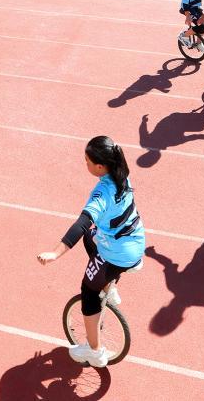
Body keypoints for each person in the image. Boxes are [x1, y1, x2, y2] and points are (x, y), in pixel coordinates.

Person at [37, 136, 145, 368]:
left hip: (117, 254)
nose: (84, 164)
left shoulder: (102, 192)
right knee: (91, 236)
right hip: (135, 243)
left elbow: (81, 224)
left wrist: (56, 253)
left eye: (87, 161)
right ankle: (109, 286)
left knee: (88, 291)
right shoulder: (122, 174)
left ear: (100, 166)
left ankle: (94, 351)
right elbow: (89, 230)